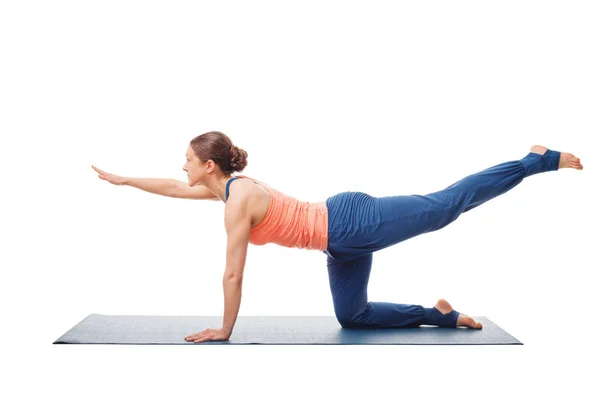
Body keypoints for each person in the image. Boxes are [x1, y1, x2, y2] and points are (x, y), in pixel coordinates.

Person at [92, 131, 584, 343]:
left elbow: (234, 272)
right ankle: (440, 316)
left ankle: (535, 159)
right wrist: (124, 180)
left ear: (209, 165)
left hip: (351, 221)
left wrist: (225, 329)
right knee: (353, 316)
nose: (182, 167)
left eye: (187, 159)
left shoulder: (237, 199)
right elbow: (174, 189)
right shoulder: (225, 191)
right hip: (337, 244)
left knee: (443, 208)